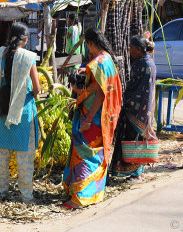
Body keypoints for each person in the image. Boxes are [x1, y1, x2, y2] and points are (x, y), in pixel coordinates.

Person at [62, 28, 122, 209]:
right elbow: (100, 85)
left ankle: (80, 198)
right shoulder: (108, 59)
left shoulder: (97, 63)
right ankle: (95, 194)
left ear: (90, 43)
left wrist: (87, 118)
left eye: (88, 46)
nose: (88, 50)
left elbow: (100, 94)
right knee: (97, 154)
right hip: (103, 119)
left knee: (85, 155)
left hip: (93, 117)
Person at [0, 22, 40, 203]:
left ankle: (2, 193)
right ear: (25, 40)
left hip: (2, 111)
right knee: (24, 160)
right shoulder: (28, 58)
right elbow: (37, 88)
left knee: (2, 158)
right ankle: (26, 197)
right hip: (22, 113)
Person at [111, 35, 158, 183]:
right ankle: (139, 172)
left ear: (139, 49)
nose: (130, 51)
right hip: (145, 110)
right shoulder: (148, 61)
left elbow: (136, 89)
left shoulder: (142, 64)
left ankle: (136, 174)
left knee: (133, 141)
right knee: (138, 140)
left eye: (131, 48)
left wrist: (125, 100)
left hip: (136, 110)